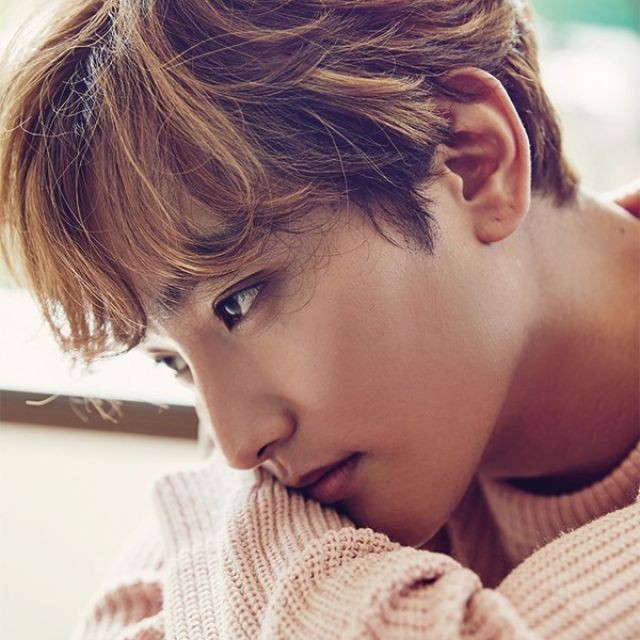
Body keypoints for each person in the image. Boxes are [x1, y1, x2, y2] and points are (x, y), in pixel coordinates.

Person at [0, 0, 638, 637]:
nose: (236, 449)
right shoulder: (403, 427)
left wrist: (216, 542)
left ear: (472, 161)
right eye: (174, 363)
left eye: (238, 302)